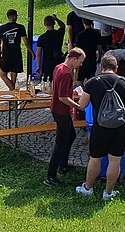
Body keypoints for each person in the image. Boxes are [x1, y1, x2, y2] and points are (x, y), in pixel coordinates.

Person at [76, 54, 125, 201]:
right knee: (115, 160)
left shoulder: (92, 82)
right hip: (120, 126)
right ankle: (108, 192)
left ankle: (87, 188)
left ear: (101, 68)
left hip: (100, 127)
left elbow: (83, 105)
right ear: (116, 68)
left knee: (95, 158)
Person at [44, 48, 86, 187]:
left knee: (71, 136)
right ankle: (51, 176)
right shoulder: (66, 73)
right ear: (73, 59)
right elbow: (63, 97)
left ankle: (63, 165)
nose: (81, 65)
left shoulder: (59, 67)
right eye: (80, 61)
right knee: (60, 143)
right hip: (61, 111)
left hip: (60, 110)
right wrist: (79, 106)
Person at [0, 9, 35, 90]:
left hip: (6, 55)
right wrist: (31, 51)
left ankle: (12, 91)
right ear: (15, 16)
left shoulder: (2, 28)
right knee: (14, 76)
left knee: (3, 75)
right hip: (16, 54)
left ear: (8, 17)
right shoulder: (20, 27)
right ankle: (13, 92)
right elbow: (26, 42)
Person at [35, 14, 65, 84]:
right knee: (58, 81)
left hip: (47, 63)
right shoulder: (59, 33)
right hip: (58, 59)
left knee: (48, 82)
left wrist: (38, 66)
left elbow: (38, 54)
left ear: (44, 24)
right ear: (54, 23)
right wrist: (56, 19)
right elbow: (62, 26)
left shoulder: (42, 37)